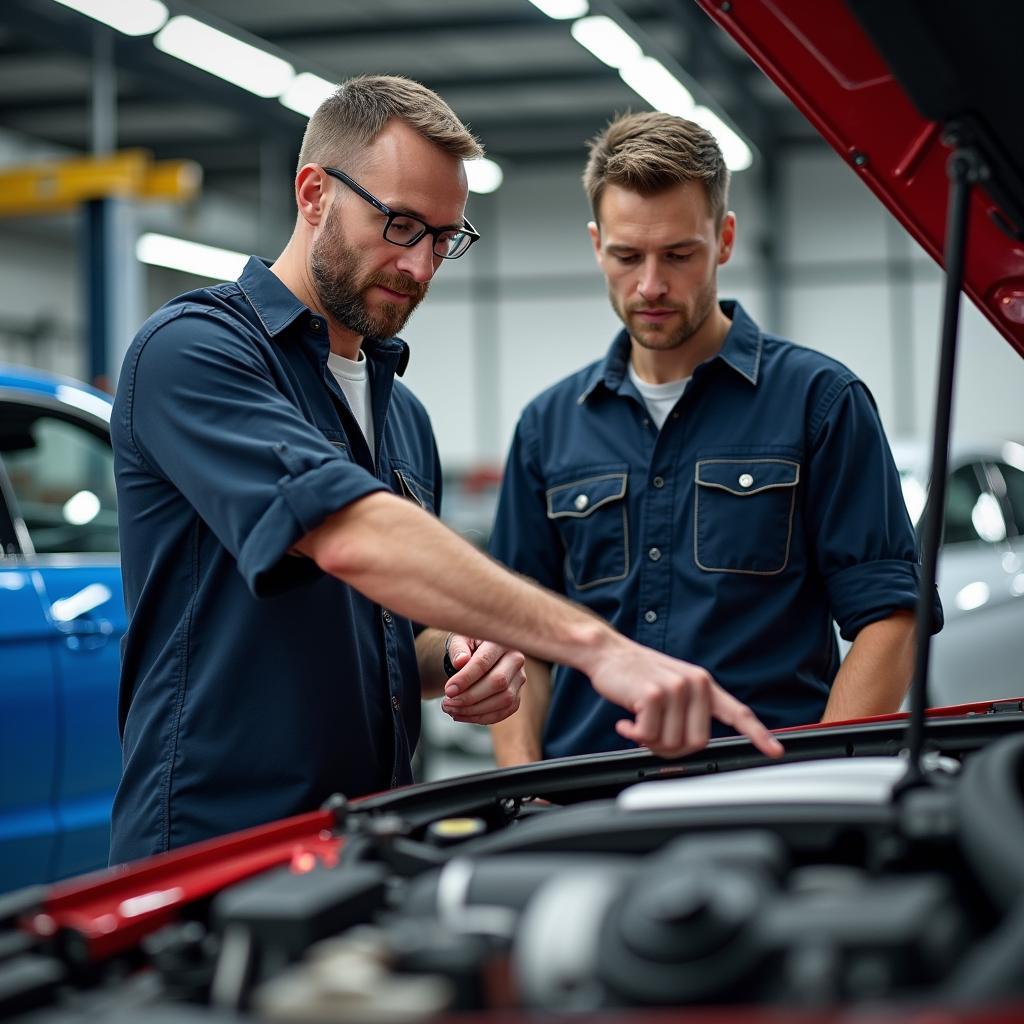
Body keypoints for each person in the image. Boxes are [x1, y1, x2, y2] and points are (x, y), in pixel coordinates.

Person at [109, 78, 781, 863]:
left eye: (443, 238)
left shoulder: (404, 418)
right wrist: (599, 647)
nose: (420, 266)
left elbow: (394, 639)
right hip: (217, 848)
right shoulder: (195, 352)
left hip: (369, 843)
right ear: (314, 193)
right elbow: (351, 536)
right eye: (398, 225)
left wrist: (463, 658)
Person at [488, 111, 941, 767]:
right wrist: (522, 786)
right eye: (626, 256)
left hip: (760, 797)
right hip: (581, 804)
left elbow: (890, 620)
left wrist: (814, 786)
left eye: (678, 255)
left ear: (724, 239)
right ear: (596, 246)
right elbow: (517, 634)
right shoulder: (546, 426)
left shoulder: (820, 402)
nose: (650, 285)